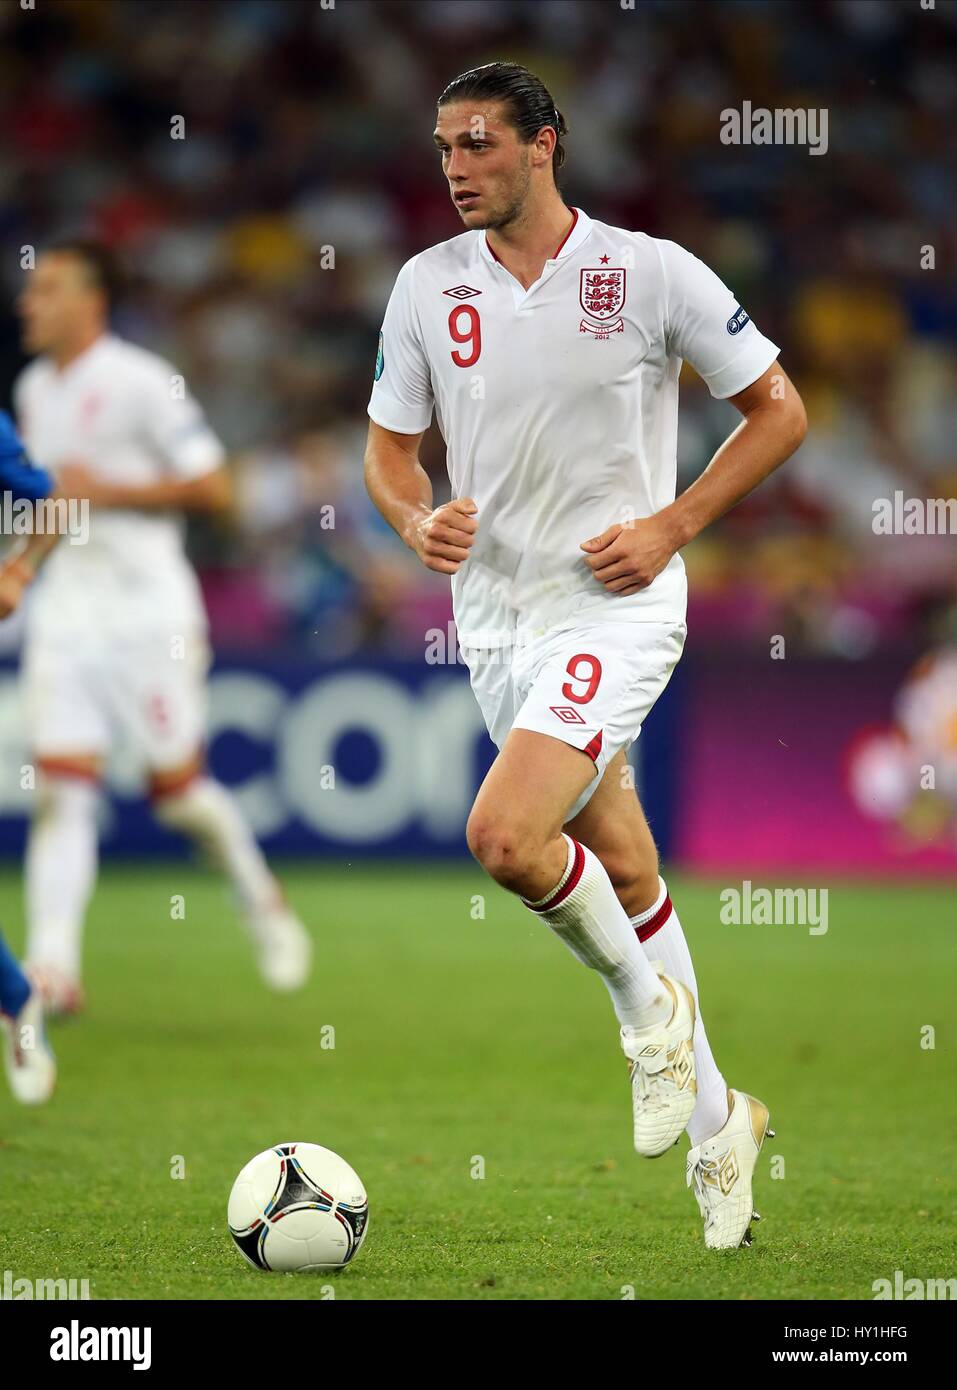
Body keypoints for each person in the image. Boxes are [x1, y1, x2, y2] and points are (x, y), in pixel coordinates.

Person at [365, 63, 806, 1249]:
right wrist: (415, 522)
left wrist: (674, 524)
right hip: (495, 618)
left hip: (615, 604)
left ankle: (649, 1026)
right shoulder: (424, 289)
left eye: (479, 144)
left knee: (505, 836)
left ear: (544, 145)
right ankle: (725, 1127)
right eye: (444, 147)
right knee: (618, 865)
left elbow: (779, 409)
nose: (455, 167)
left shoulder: (648, 272)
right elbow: (390, 452)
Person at [0, 241, 311, 1014]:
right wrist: (21, 564)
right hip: (68, 608)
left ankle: (258, 896)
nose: (27, 303)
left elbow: (215, 487)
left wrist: (112, 489)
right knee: (63, 791)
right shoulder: (34, 387)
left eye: (47, 290)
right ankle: (53, 972)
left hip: (147, 612)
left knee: (175, 794)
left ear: (91, 302)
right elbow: (51, 500)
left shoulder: (142, 381)